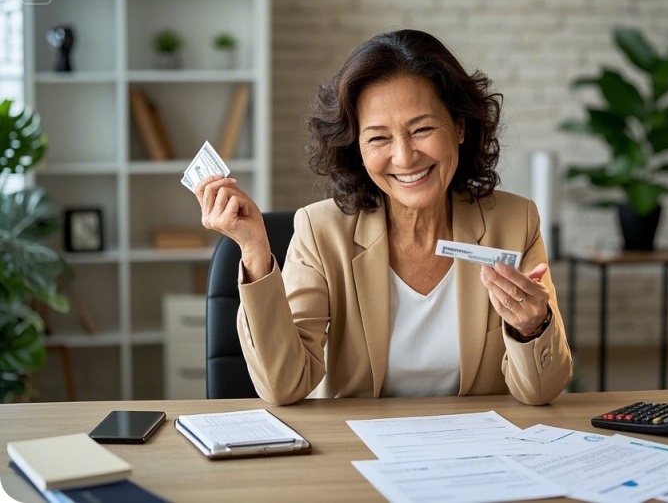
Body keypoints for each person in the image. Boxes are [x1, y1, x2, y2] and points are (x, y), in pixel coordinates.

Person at [195, 29, 572, 405]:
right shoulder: (321, 231)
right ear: (357, 148)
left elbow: (540, 392)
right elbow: (285, 385)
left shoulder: (515, 222)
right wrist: (254, 248)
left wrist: (531, 327)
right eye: (378, 138)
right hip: (360, 450)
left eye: (422, 129)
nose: (405, 157)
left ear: (459, 127)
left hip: (475, 452)